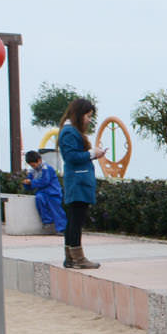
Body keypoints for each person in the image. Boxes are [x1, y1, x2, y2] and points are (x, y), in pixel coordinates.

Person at [56, 98, 107, 269]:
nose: (89, 120)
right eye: (88, 116)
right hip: (78, 183)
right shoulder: (69, 132)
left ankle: (70, 257)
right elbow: (71, 157)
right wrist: (92, 153)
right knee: (75, 221)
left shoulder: (69, 131)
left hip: (78, 181)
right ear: (79, 114)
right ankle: (78, 258)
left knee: (73, 220)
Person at [23, 149, 63, 235]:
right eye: (31, 166)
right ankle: (47, 221)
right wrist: (27, 183)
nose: (33, 167)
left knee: (56, 211)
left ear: (39, 160)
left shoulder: (47, 168)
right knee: (39, 201)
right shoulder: (32, 171)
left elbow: (45, 181)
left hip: (53, 193)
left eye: (34, 165)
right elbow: (30, 181)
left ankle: (62, 229)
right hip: (42, 193)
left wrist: (32, 182)